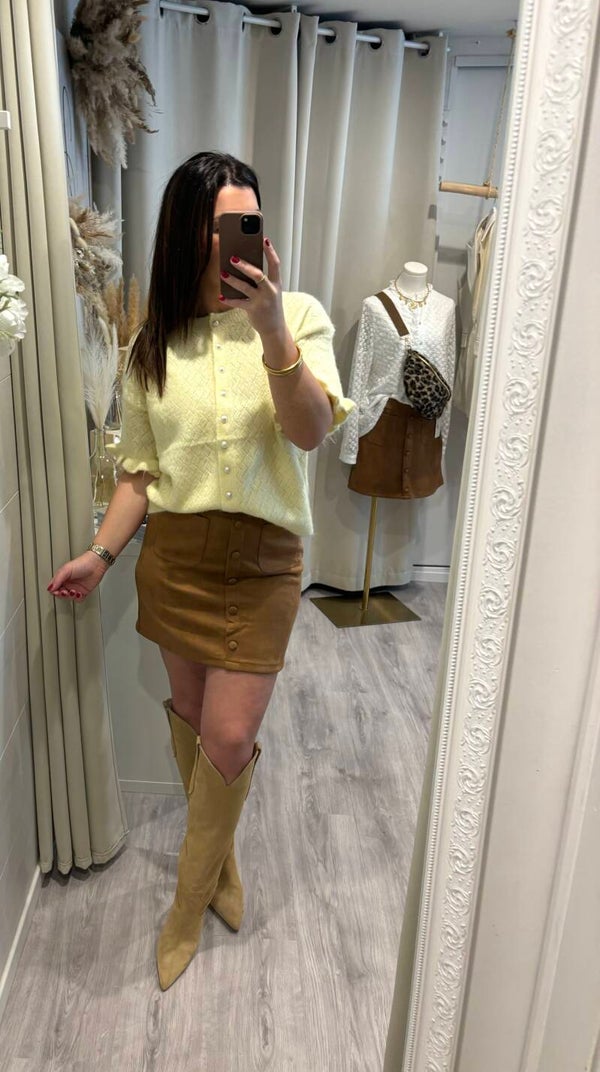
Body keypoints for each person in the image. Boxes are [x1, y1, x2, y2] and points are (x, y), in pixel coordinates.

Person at [47, 151, 353, 991]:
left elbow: (310, 432)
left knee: (228, 738)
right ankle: (220, 864)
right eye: (220, 226)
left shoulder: (298, 316)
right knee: (190, 721)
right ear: (186, 232)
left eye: (248, 223)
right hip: (175, 559)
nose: (235, 241)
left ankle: (185, 904)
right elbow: (139, 475)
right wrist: (100, 554)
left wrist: (273, 332)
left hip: (263, 564)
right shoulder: (154, 345)